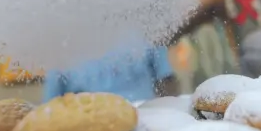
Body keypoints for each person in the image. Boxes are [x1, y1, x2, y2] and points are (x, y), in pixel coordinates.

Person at [43, 36, 179, 103]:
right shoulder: (61, 43)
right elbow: (50, 105)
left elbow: (167, 80)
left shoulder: (144, 23)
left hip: (149, 119)